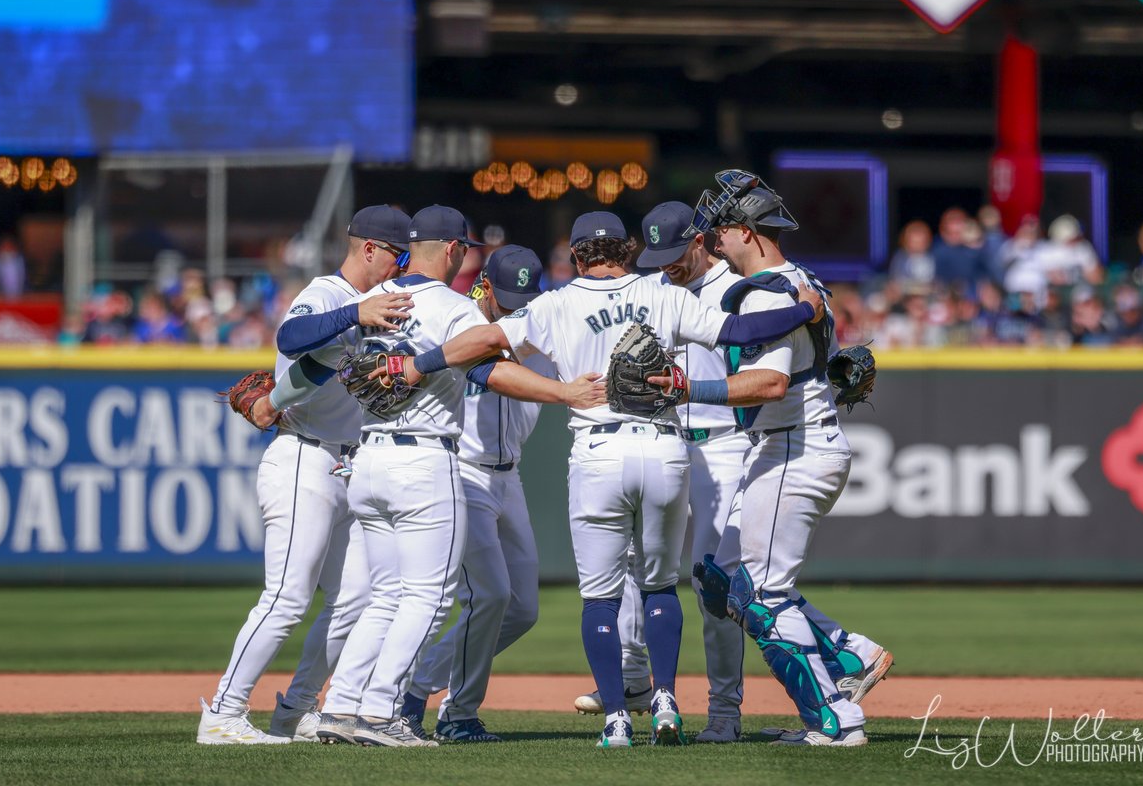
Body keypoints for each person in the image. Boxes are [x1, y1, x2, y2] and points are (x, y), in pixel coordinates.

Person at [383, 201, 827, 747]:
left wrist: (418, 364)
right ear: (628, 249)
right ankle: (666, 703)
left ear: (574, 255)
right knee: (661, 586)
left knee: (600, 598)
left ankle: (617, 718)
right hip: (664, 449)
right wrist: (804, 312)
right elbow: (741, 330)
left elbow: (483, 344)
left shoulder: (555, 305)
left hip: (595, 451)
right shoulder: (662, 294)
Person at [312, 206, 605, 749]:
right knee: (437, 595)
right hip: (442, 465)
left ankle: (348, 706)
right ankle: (395, 708)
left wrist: (293, 406)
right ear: (459, 256)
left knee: (494, 603)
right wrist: (565, 392)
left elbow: (309, 344)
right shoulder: (459, 314)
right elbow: (483, 363)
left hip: (420, 459)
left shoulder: (378, 303)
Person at [656, 169, 892, 747]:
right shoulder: (798, 279)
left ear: (745, 230)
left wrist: (685, 389)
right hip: (795, 444)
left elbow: (765, 385)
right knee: (721, 581)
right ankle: (847, 654)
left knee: (762, 595)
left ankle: (834, 719)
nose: (714, 239)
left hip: (792, 448)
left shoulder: (765, 289)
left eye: (722, 229)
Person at [197, 205, 415, 745]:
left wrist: (276, 396)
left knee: (356, 597)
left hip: (348, 462)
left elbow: (319, 368)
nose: (402, 264)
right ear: (369, 249)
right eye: (398, 254)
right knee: (288, 597)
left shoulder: (381, 307)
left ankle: (295, 710)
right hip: (302, 458)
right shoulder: (327, 293)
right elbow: (294, 337)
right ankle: (223, 713)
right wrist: (355, 314)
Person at [568, 202, 749, 743]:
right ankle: (629, 682)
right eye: (658, 256)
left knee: (709, 584)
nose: (667, 264)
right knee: (623, 568)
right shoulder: (650, 290)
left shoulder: (735, 289)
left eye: (675, 253)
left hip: (718, 442)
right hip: (662, 444)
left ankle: (723, 711)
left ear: (702, 241)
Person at [400, 246, 552, 743]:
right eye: (507, 297)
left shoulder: (537, 330)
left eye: (524, 298)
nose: (514, 307)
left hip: (511, 477)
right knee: (487, 595)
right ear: (485, 285)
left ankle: (417, 681)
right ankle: (457, 712)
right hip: (465, 475)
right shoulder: (455, 327)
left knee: (522, 609)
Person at [887, 220, 935, 288]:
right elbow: (896, 277)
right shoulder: (900, 258)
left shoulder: (931, 258)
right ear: (905, 243)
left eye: (920, 243)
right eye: (914, 243)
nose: (917, 246)